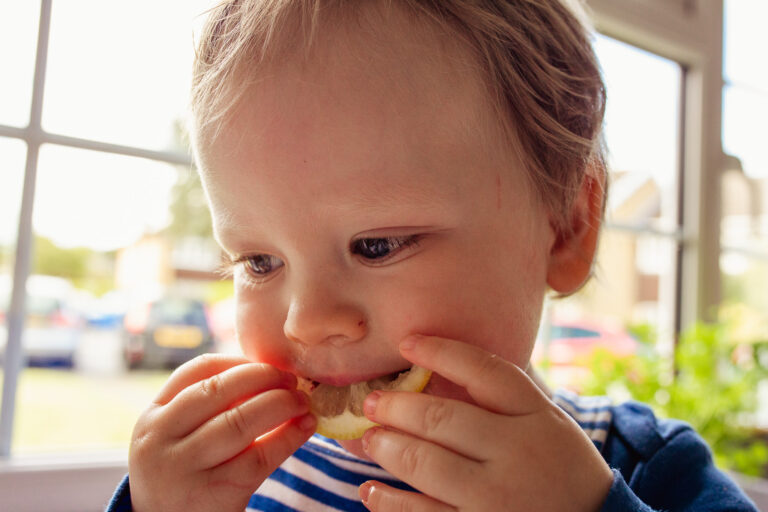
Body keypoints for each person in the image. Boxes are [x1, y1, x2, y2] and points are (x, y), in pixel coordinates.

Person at [108, 0, 758, 511]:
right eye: (257, 262)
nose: (305, 322)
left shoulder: (644, 468)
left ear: (566, 226)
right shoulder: (239, 479)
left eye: (376, 245)